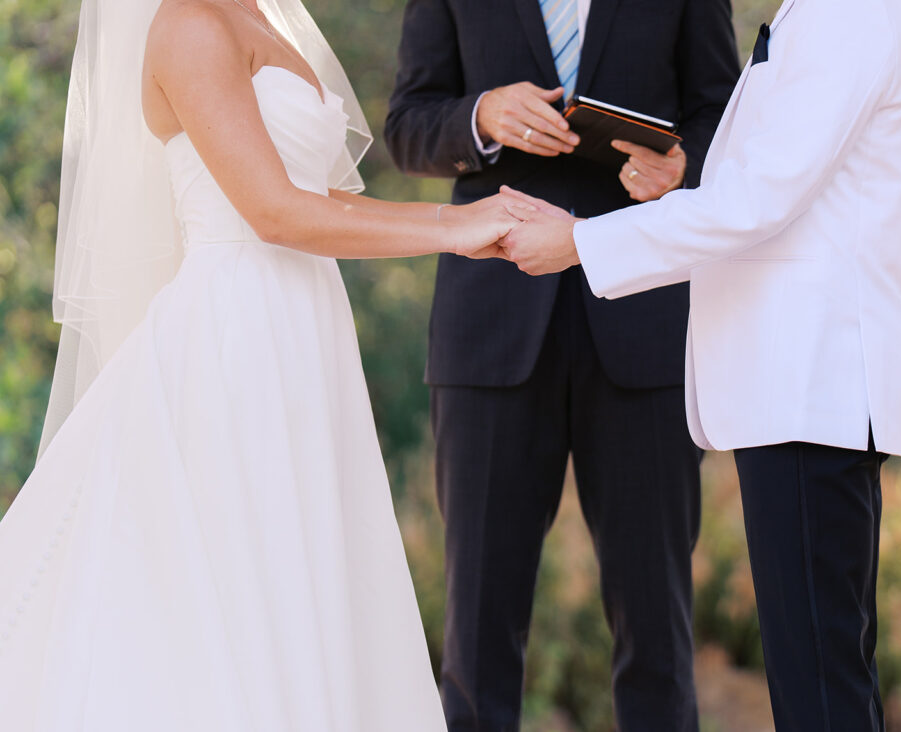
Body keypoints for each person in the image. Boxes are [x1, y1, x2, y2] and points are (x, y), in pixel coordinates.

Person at [0, 0, 517, 728]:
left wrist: (466, 224)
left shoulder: (261, 18)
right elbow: (272, 212)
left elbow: (316, 195)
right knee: (248, 572)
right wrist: (455, 225)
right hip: (235, 335)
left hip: (303, 323)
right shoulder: (187, 26)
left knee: (309, 570)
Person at [500, 0, 901, 729]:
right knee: (823, 676)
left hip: (810, 384)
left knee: (821, 689)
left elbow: (756, 203)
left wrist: (582, 242)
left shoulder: (851, 13)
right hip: (798, 389)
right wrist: (669, 191)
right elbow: (766, 194)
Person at [384, 1, 739, 729]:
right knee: (478, 630)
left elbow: (724, 119)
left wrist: (680, 167)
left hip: (644, 324)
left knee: (657, 628)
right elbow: (406, 127)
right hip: (489, 328)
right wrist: (481, 117)